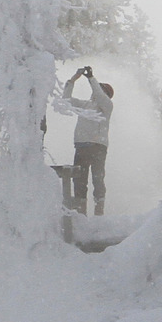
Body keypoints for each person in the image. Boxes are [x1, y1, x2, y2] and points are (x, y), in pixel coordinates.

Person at [63, 66, 113, 215]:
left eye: (99, 90)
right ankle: (81, 212)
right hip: (81, 145)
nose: (95, 93)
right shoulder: (85, 105)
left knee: (97, 179)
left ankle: (99, 211)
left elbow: (100, 95)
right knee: (79, 180)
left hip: (98, 146)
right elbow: (65, 100)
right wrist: (73, 79)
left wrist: (91, 78)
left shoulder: (107, 106)